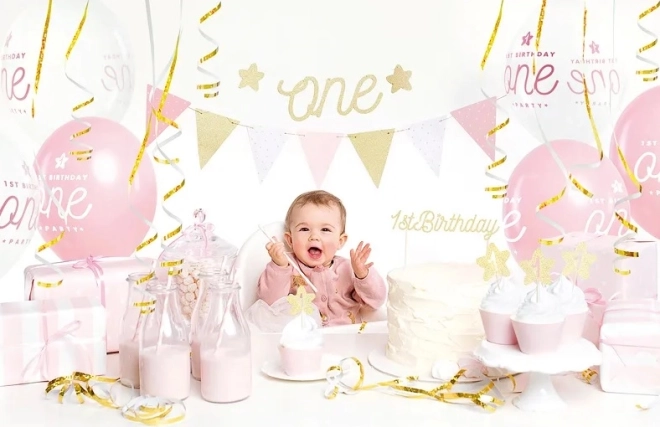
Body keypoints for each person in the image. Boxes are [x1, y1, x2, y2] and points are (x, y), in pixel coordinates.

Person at [257, 190, 386, 326]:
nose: (314, 236)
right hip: (304, 336)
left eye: (325, 230)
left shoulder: (348, 269)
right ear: (290, 240)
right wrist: (279, 267)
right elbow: (268, 304)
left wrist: (363, 275)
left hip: (347, 335)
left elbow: (376, 301)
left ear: (340, 241)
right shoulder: (287, 266)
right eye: (304, 229)